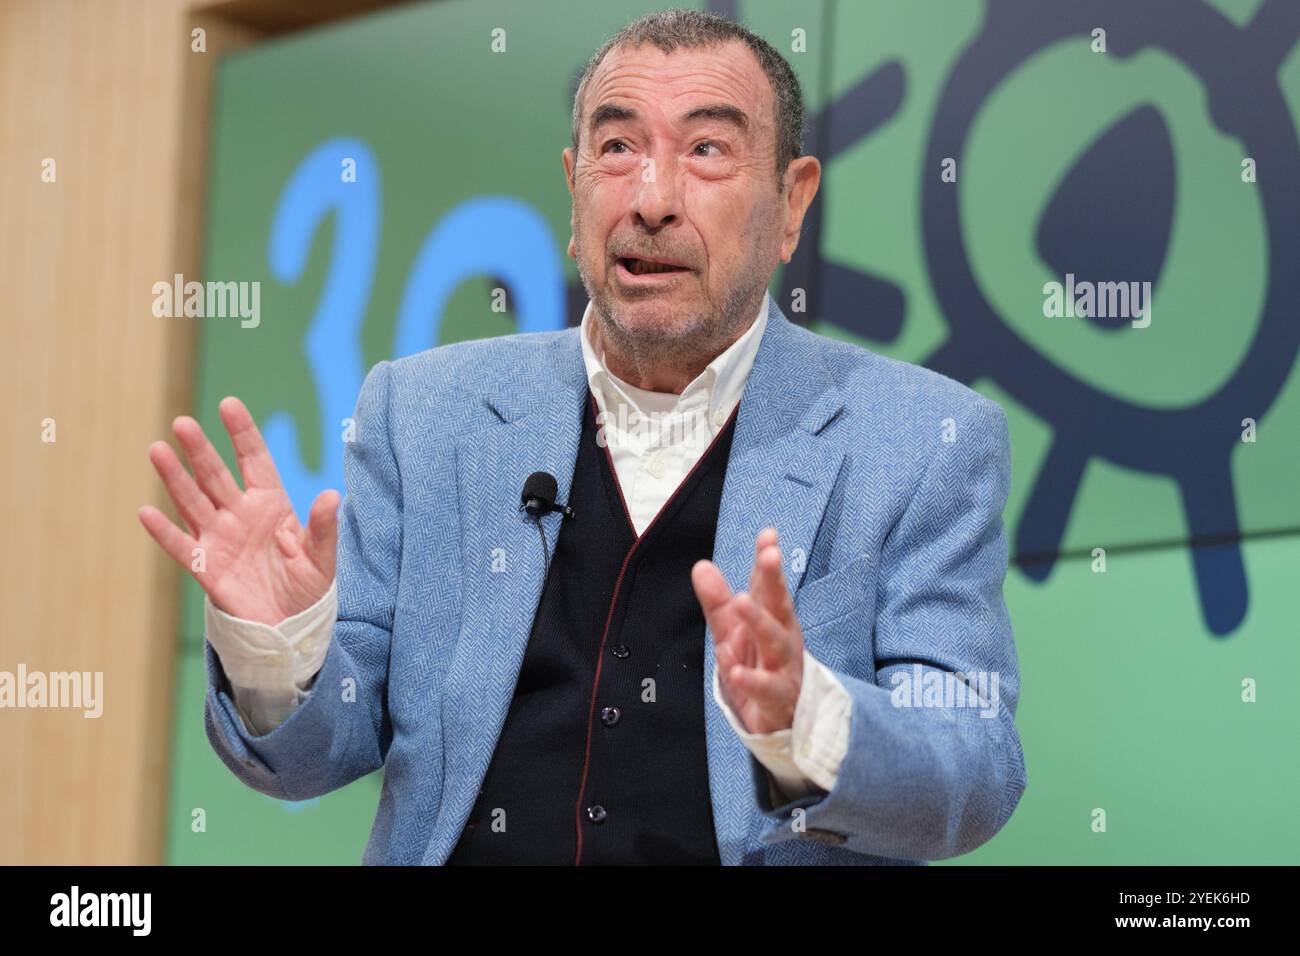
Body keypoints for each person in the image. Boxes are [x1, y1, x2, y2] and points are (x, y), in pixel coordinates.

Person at [139, 8, 1025, 865]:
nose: (652, 199)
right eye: (617, 147)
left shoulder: (920, 442)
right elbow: (315, 753)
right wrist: (277, 650)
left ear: (792, 203)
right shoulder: (425, 411)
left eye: (707, 150)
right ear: (573, 191)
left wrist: (814, 721)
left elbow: (974, 767)